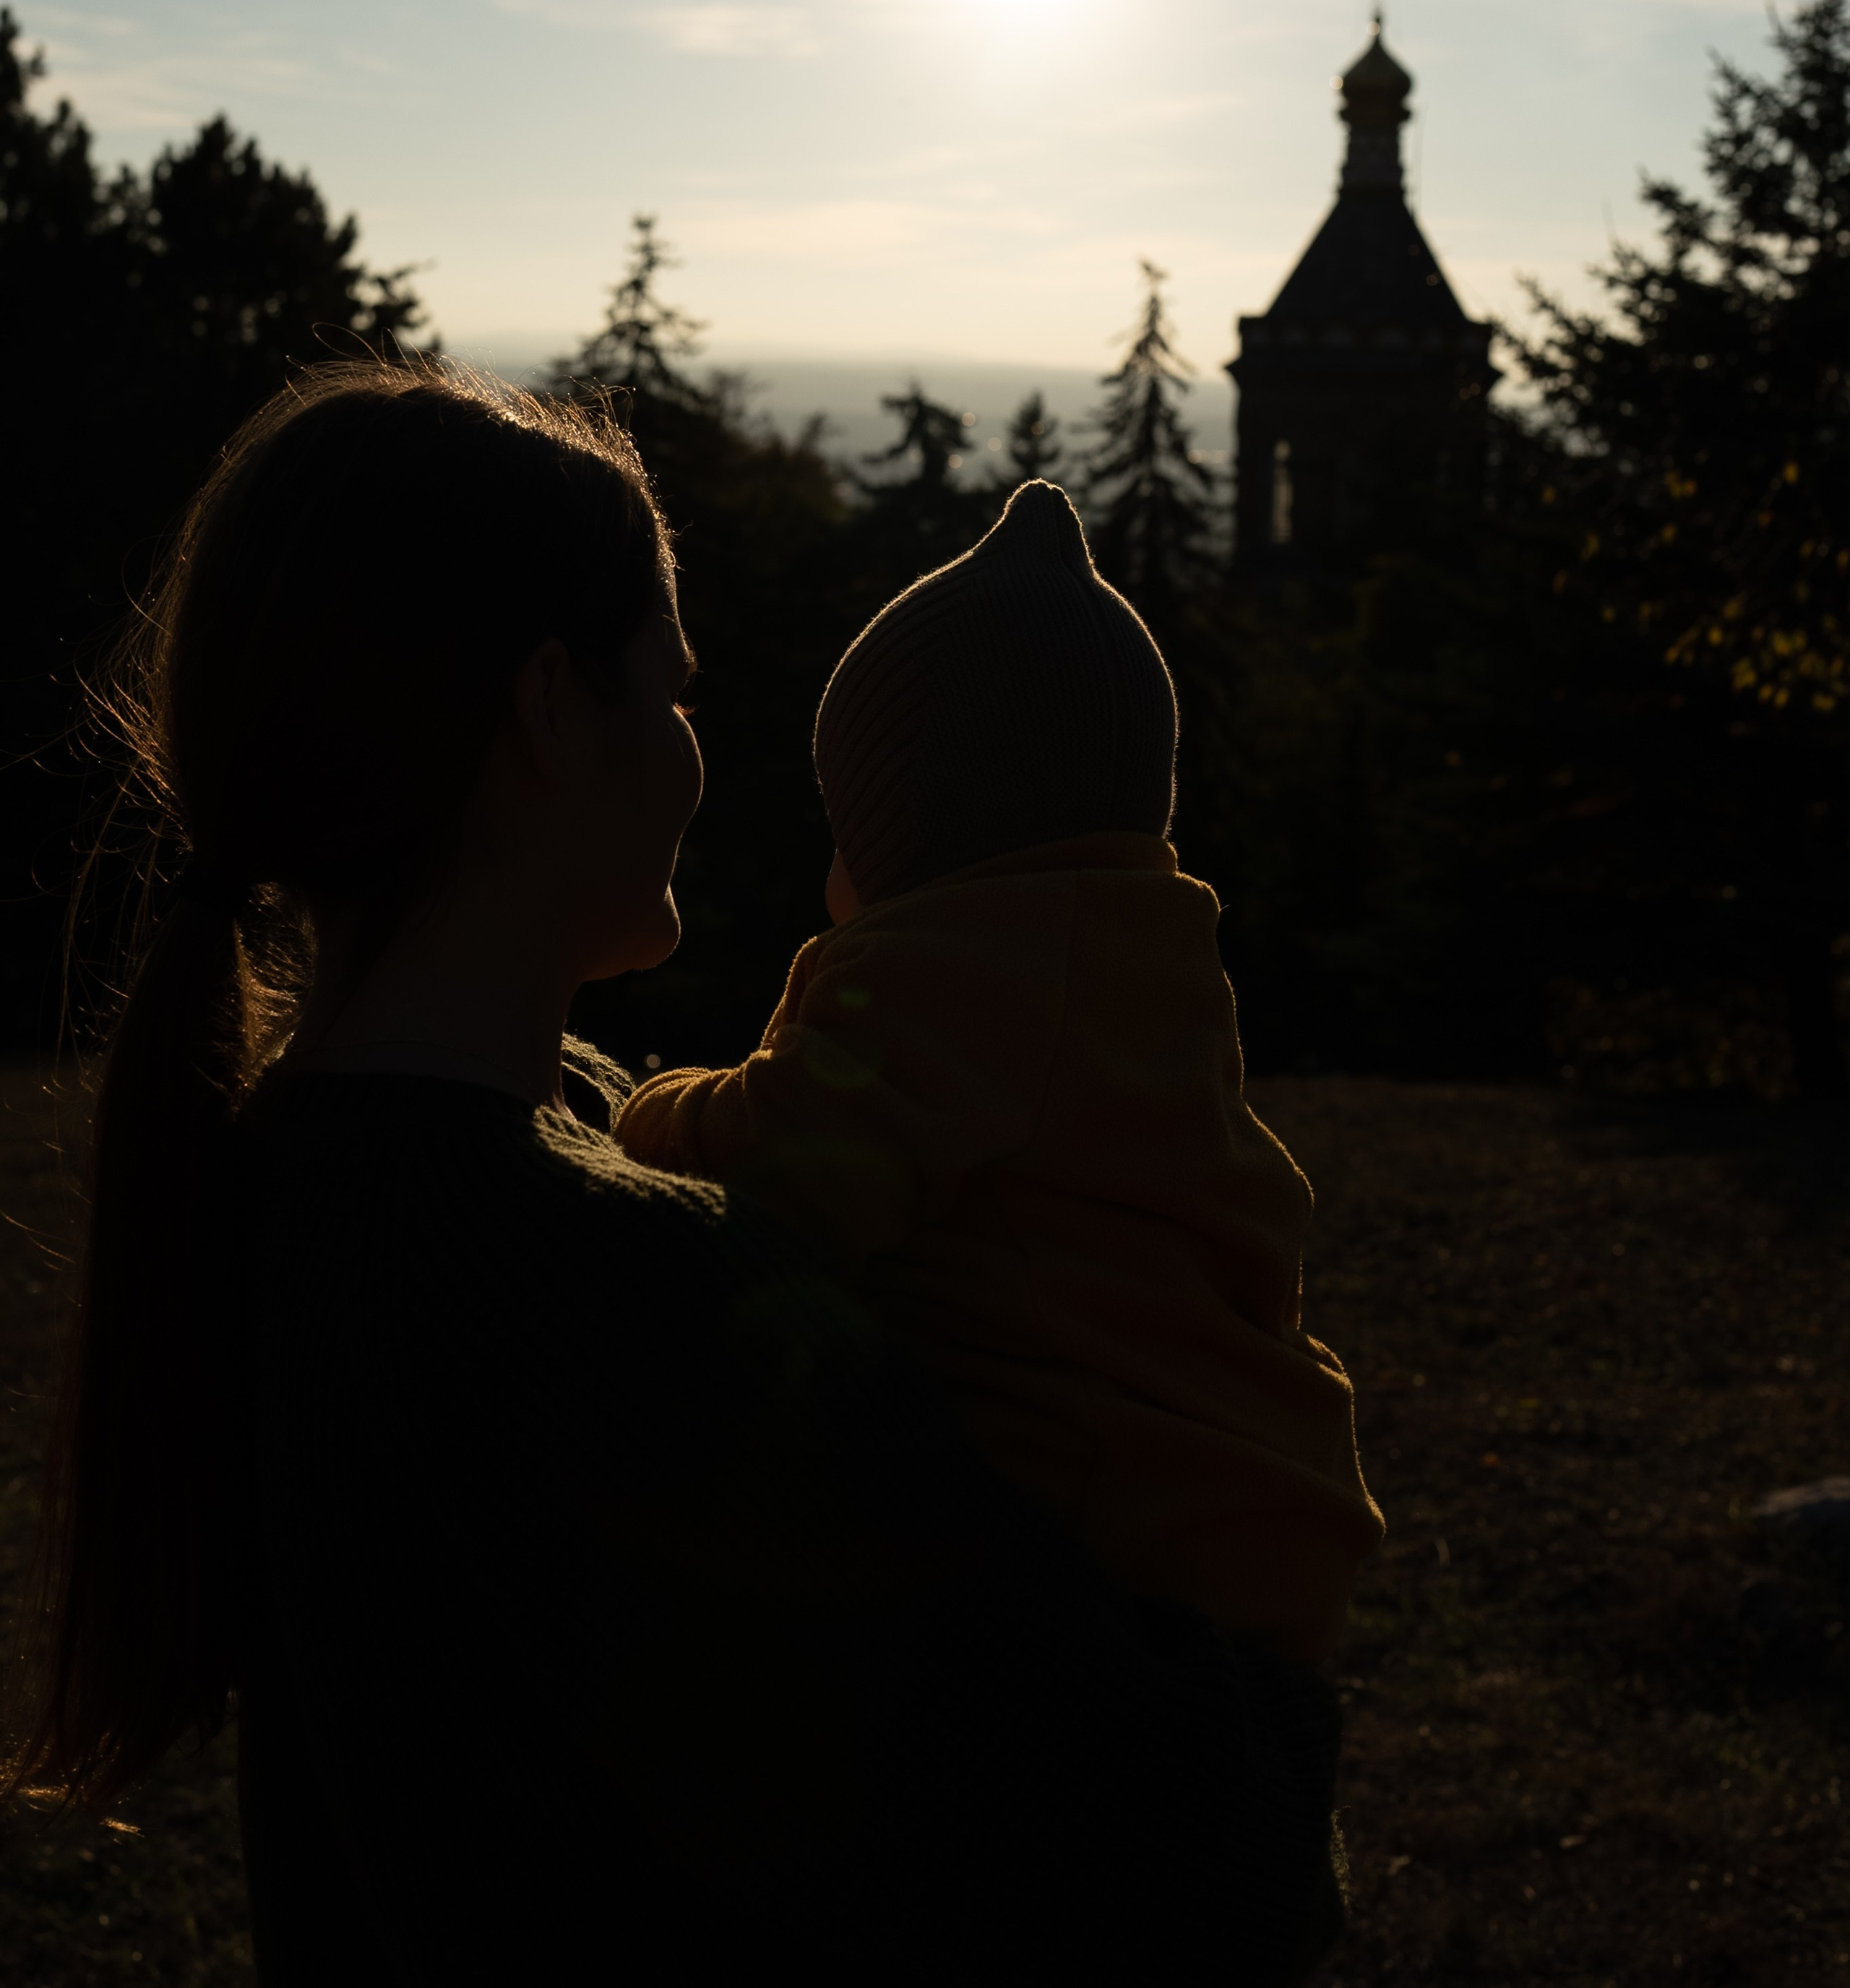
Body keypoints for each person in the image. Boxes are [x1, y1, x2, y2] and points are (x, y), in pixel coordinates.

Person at [4, 361, 1351, 1983]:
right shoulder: (644, 1294)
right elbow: (1208, 1837)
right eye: (676, 693)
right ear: (553, 709)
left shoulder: (281, 1171)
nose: (708, 758)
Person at [616, 480, 1384, 1663]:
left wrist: (649, 1114)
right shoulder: (1140, 962)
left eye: (846, 824)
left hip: (1120, 1552)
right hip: (1243, 1522)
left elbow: (793, 1168)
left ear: (909, 840)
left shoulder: (969, 970)